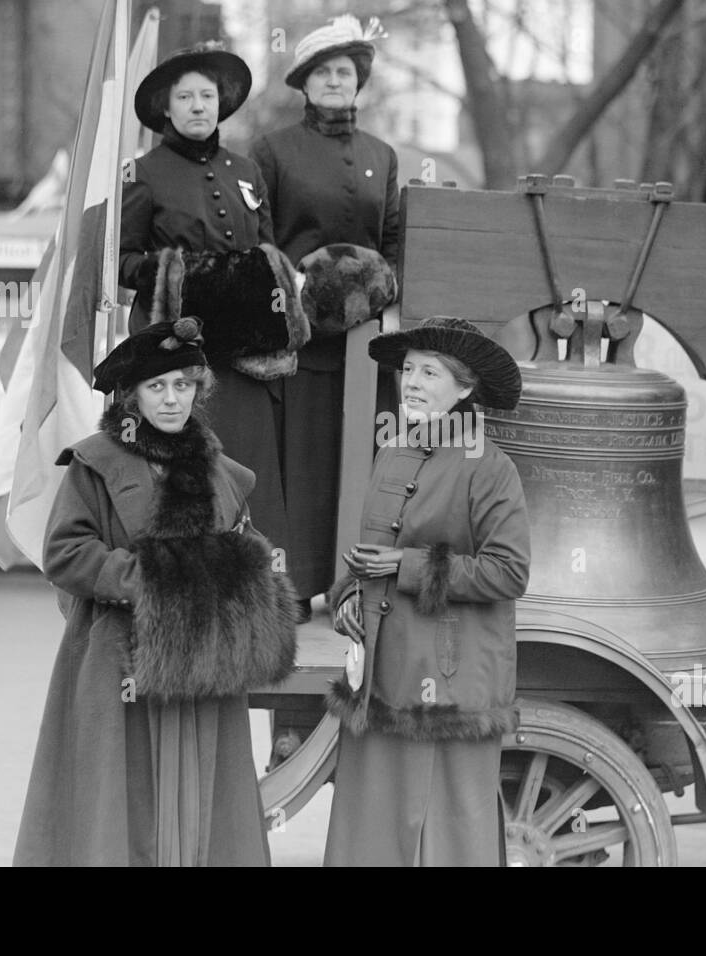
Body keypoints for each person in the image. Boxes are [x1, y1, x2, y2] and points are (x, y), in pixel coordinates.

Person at [13, 317, 298, 866]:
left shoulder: (225, 474)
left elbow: (251, 553)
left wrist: (240, 572)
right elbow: (66, 554)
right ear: (131, 396)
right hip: (117, 658)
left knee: (202, 801)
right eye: (157, 387)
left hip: (207, 667)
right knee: (121, 799)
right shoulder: (95, 463)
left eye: (184, 385)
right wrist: (158, 582)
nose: (172, 399)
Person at [323, 316, 530, 866]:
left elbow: (509, 572)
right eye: (408, 369)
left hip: (450, 679)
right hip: (382, 674)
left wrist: (410, 567)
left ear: (464, 389)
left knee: (449, 832)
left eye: (429, 372)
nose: (411, 382)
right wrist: (348, 594)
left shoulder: (490, 468)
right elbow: (372, 551)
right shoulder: (391, 451)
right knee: (371, 824)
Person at [119, 42, 293, 561]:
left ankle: (256, 582)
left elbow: (268, 253)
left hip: (243, 356)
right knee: (182, 469)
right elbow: (123, 262)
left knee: (248, 463)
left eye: (208, 96)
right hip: (173, 352)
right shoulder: (142, 173)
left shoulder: (246, 169)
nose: (199, 106)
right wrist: (184, 278)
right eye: (186, 96)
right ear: (166, 109)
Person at [250, 15, 400, 617]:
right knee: (303, 463)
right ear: (304, 83)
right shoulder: (272, 151)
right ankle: (296, 585)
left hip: (367, 346)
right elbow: (261, 243)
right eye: (324, 72)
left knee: (365, 460)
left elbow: (394, 243)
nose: (336, 81)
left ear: (358, 82)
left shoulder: (383, 156)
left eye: (346, 71)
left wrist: (385, 301)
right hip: (300, 340)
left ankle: (359, 586)